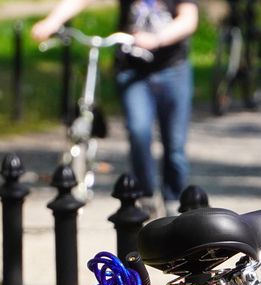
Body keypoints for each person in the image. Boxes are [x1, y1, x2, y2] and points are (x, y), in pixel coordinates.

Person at [32, 0, 199, 214]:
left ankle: (174, 202)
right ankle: (145, 196)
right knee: (138, 132)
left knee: (175, 145)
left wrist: (157, 39)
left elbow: (189, 19)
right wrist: (52, 21)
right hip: (132, 70)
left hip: (172, 70)